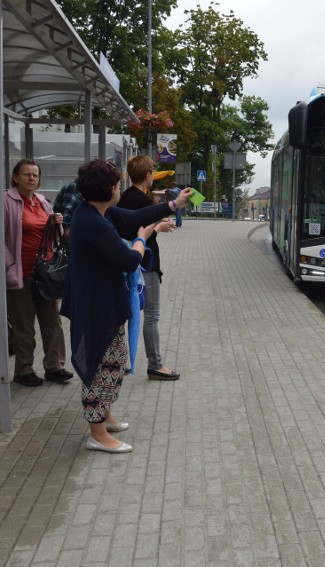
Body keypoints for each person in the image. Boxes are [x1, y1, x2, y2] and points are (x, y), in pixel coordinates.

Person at [61, 159, 191, 453]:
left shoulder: (97, 212)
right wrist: (141, 240)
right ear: (108, 189)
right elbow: (129, 259)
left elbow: (135, 216)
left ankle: (105, 415)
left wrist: (172, 205)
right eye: (117, 184)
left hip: (104, 302)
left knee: (116, 360)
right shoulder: (93, 222)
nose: (120, 188)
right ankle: (97, 433)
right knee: (97, 365)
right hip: (96, 307)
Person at [4, 159, 73, 387]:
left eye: (35, 175)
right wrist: (8, 263)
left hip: (44, 273)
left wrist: (57, 223)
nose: (31, 178)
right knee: (24, 324)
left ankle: (54, 367)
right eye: (26, 174)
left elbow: (55, 235)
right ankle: (24, 370)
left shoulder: (42, 201)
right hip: (21, 272)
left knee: (52, 322)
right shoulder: (6, 201)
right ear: (15, 177)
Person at [116, 156, 180, 381]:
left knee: (126, 312)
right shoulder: (143, 201)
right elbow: (141, 231)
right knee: (151, 313)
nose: (153, 175)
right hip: (146, 264)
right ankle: (156, 365)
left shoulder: (124, 197)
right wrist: (160, 227)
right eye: (152, 171)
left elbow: (127, 228)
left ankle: (121, 359)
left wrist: (157, 226)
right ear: (147, 175)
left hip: (127, 262)